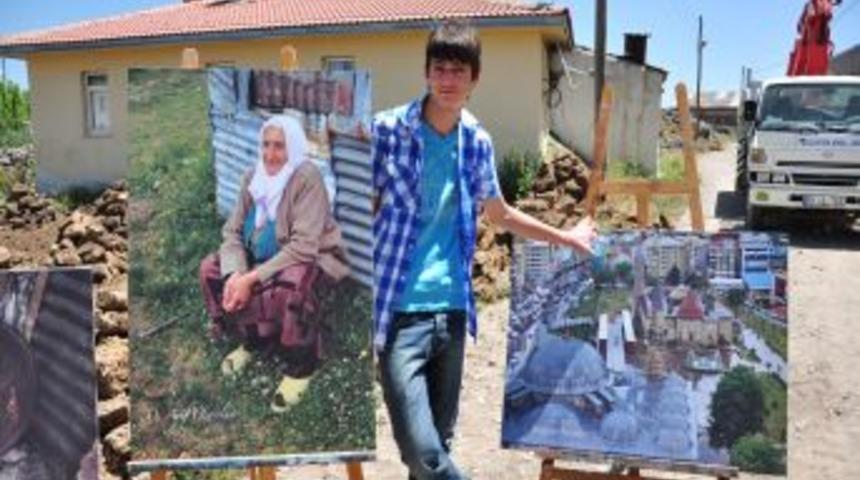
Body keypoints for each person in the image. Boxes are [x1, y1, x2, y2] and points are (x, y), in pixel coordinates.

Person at [371, 19, 598, 480]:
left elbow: (501, 214)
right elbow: (351, 203)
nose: (448, 80)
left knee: (440, 442)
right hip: (398, 311)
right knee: (423, 453)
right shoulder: (386, 130)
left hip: (453, 310)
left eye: (459, 70)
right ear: (427, 73)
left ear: (475, 79)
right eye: (440, 69)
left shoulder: (475, 141)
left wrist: (567, 237)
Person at [199, 114, 350, 412]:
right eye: (266, 144)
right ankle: (253, 339)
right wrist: (234, 274)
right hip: (264, 258)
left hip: (314, 258)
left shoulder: (306, 179)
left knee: (292, 287)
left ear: (293, 147)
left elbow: (303, 247)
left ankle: (300, 366)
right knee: (210, 270)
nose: (270, 154)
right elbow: (232, 230)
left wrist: (250, 279)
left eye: (279, 146)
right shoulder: (252, 177)